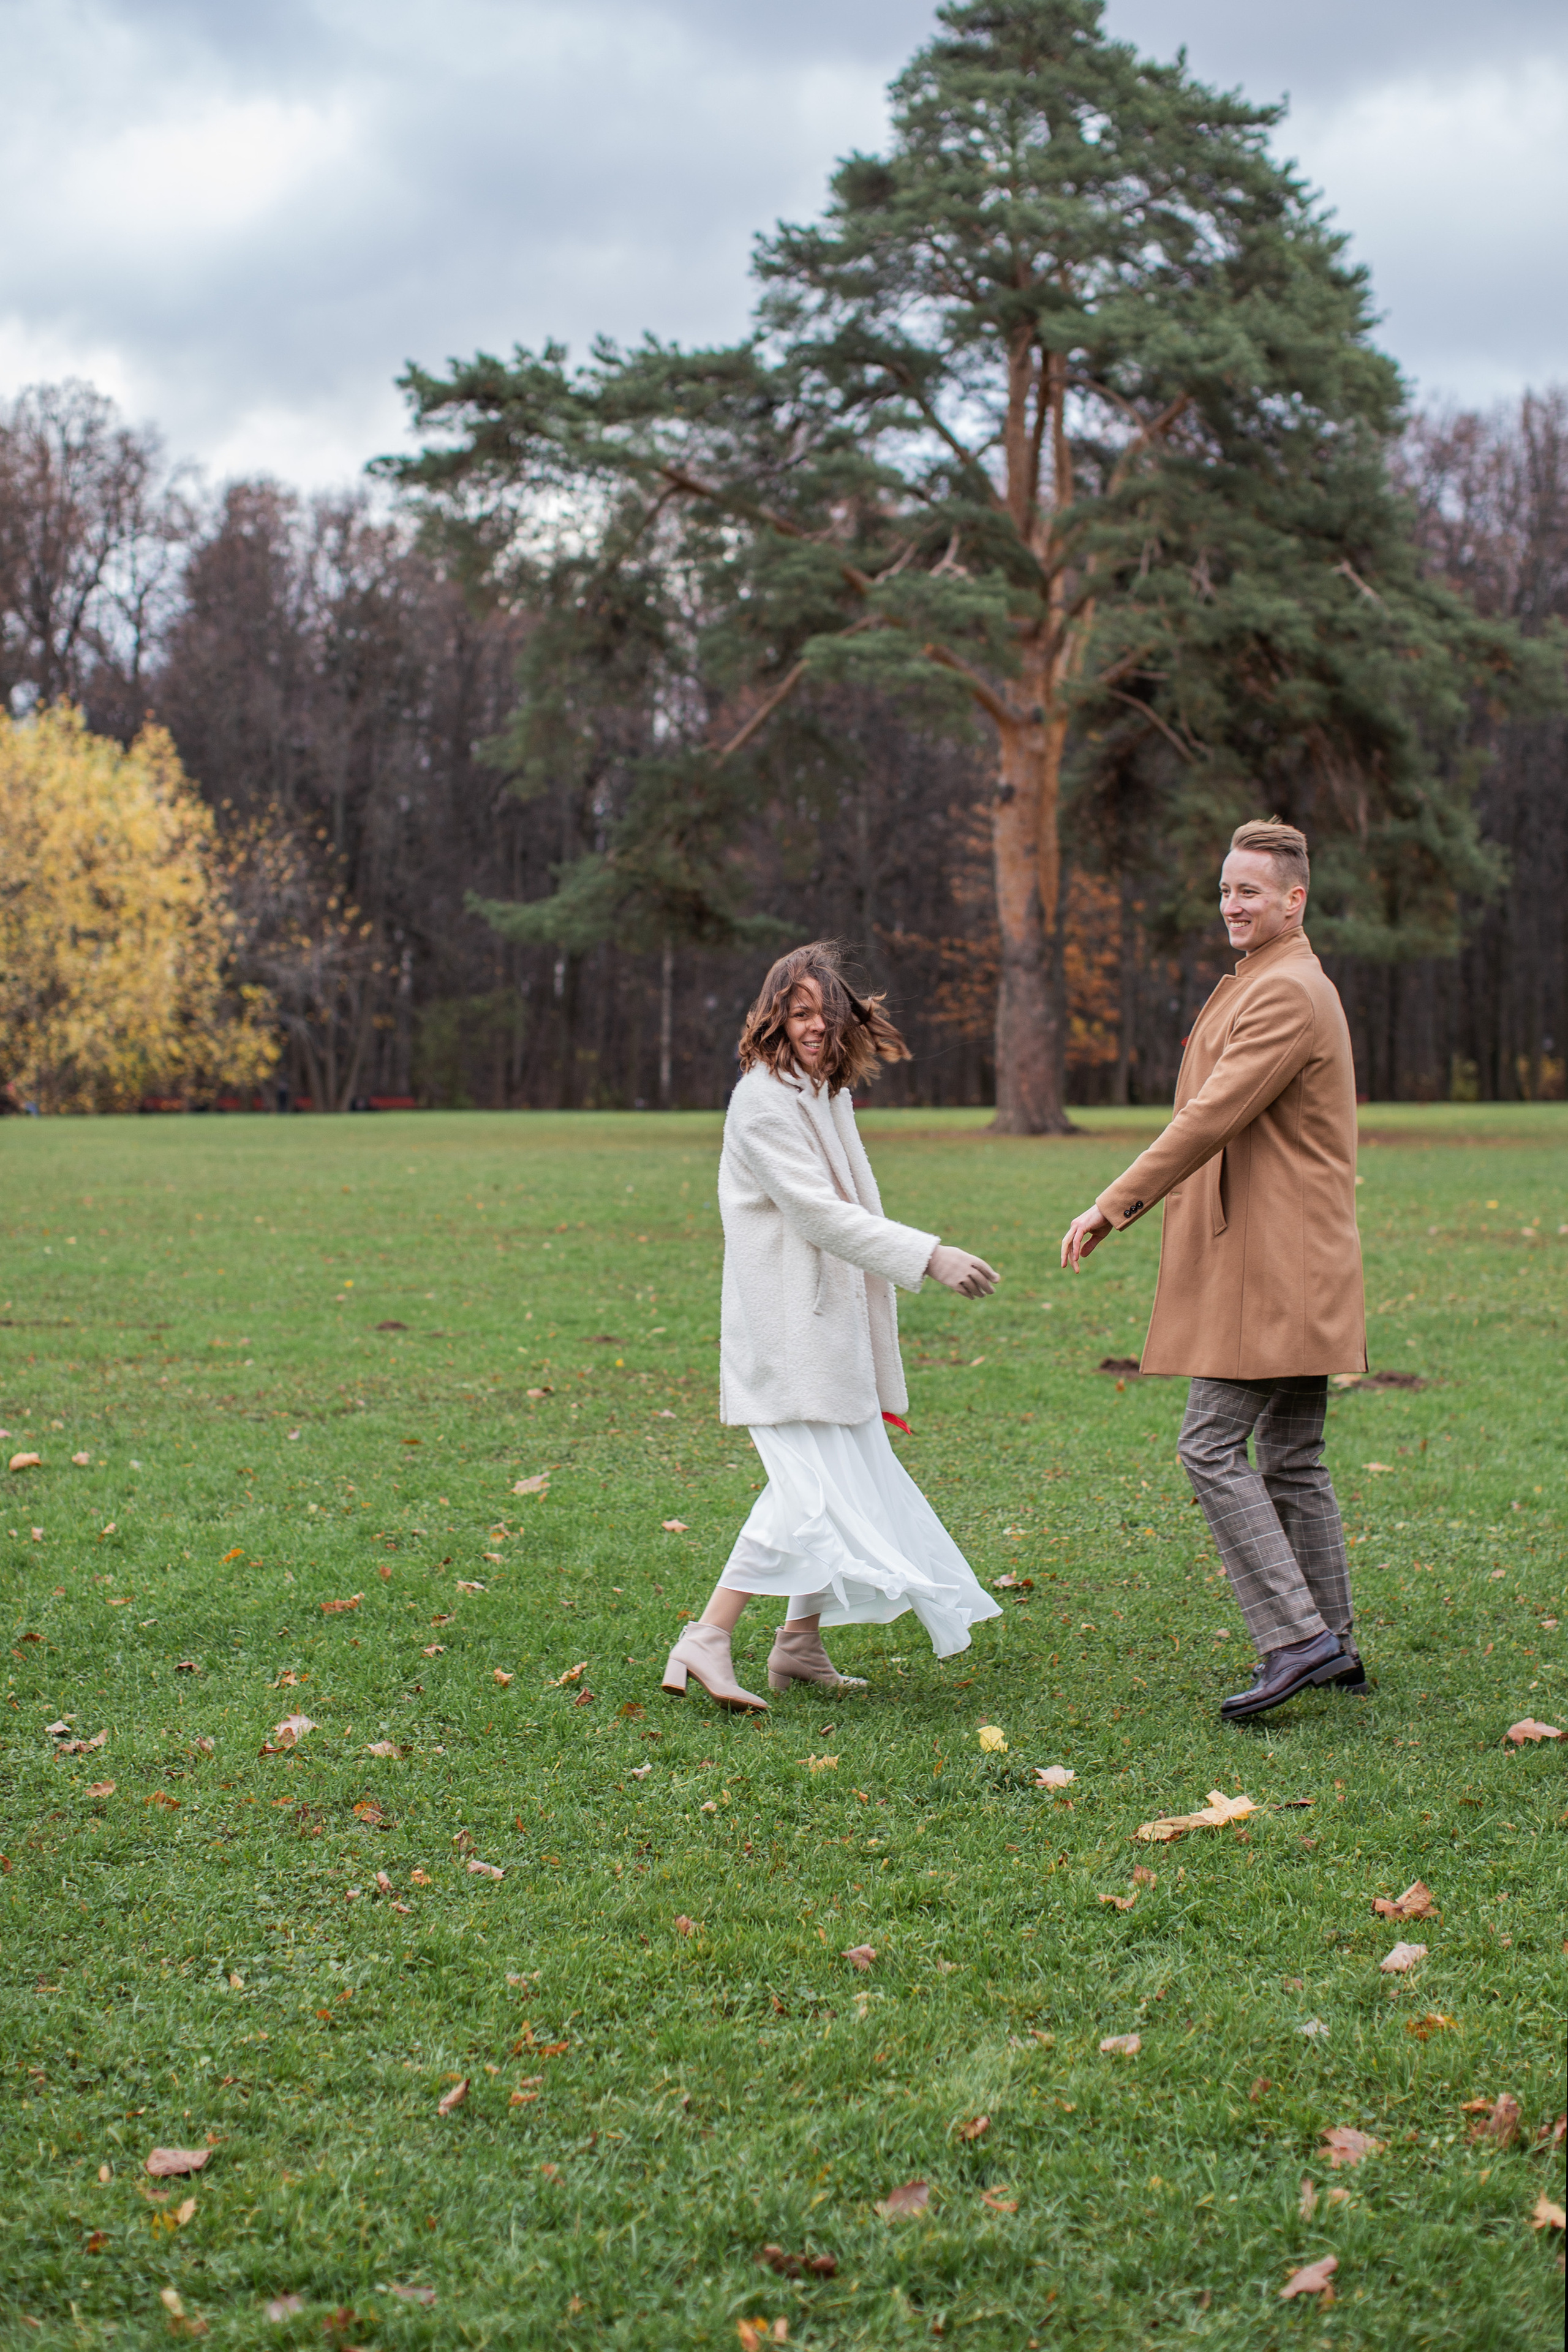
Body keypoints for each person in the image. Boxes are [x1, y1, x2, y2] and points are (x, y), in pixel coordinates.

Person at [1059, 820, 1368, 1722]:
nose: (1232, 905)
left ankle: (1297, 1640)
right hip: (1290, 1263)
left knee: (1208, 1445)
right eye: (1226, 890)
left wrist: (1112, 1204)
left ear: (1293, 900)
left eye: (1249, 892)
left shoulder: (1288, 993)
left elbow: (1210, 1115)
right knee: (1292, 1459)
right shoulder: (1271, 978)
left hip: (1272, 1270)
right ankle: (1335, 1643)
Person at [662, 942, 1003, 1713]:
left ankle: (799, 1643)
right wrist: (930, 1256)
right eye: (799, 1012)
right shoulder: (762, 1103)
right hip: (788, 1332)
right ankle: (707, 1635)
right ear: (774, 1017)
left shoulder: (823, 1093)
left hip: (827, 1324)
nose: (815, 1026)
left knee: (845, 1481)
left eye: (826, 1012)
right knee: (810, 1494)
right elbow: (818, 1215)